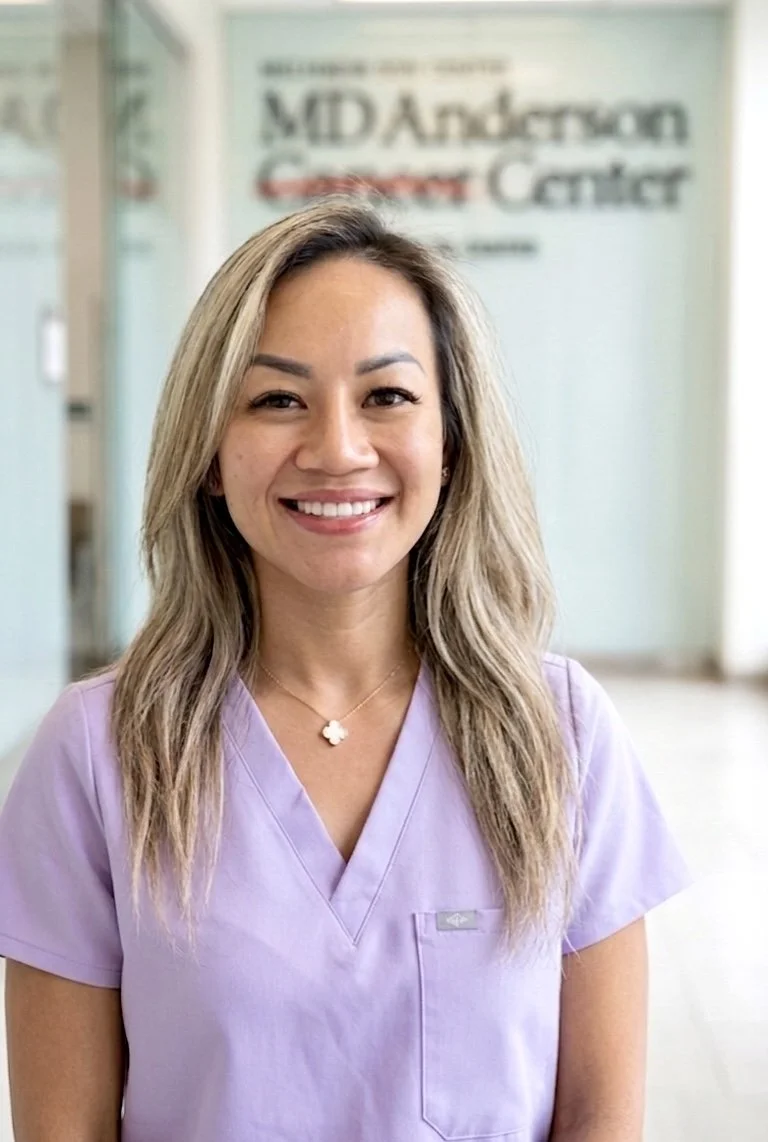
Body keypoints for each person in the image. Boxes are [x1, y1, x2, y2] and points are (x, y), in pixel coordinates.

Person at [0, 197, 692, 1142]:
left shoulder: (561, 734)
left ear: (452, 444)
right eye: (277, 398)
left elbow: (599, 1120)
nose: (336, 449)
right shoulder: (95, 755)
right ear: (209, 454)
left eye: (388, 396)